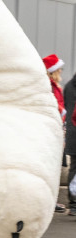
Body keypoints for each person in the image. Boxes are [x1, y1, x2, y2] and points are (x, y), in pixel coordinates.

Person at [43, 54, 67, 213]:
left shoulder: (54, 86)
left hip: (57, 129)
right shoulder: (50, 87)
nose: (61, 72)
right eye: (59, 70)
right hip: (52, 130)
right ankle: (49, 200)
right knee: (50, 166)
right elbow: (55, 107)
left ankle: (52, 199)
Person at [66, 69, 76, 217]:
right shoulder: (70, 87)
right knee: (74, 169)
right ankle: (73, 203)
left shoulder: (68, 86)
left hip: (72, 133)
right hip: (74, 134)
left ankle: (73, 203)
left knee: (73, 168)